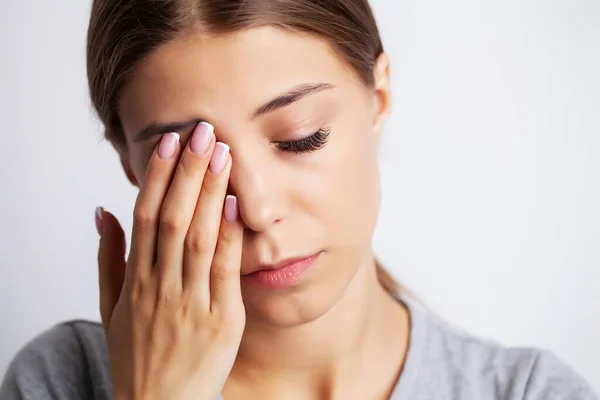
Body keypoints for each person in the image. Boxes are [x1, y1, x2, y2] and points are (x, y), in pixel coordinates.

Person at [1, 0, 597, 399]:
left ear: (379, 96)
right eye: (193, 163)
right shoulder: (59, 382)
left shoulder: (531, 392)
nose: (258, 211)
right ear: (128, 164)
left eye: (300, 137)